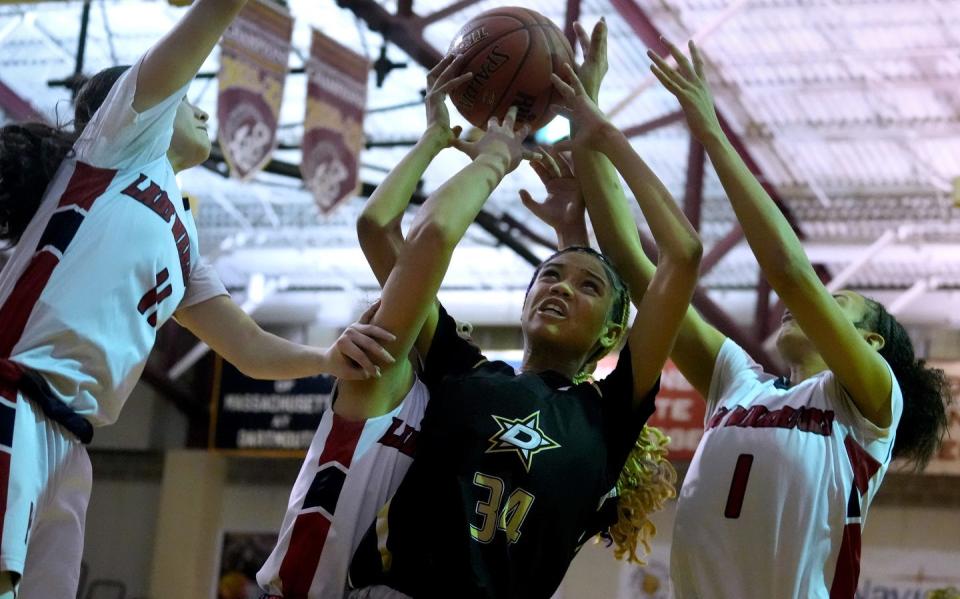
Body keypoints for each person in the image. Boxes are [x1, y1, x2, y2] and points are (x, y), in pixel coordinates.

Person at [0, 2, 394, 597]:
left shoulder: (181, 239)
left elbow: (250, 349)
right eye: (187, 100)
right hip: (13, 400)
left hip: (71, 442)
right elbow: (206, 24)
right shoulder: (115, 148)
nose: (203, 108)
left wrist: (324, 359)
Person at [567, 26, 951, 598]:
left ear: (870, 345)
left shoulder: (871, 410)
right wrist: (583, 113)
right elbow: (633, 263)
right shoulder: (737, 383)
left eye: (835, 301)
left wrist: (710, 133)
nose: (807, 304)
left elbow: (791, 273)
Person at [342, 41, 702, 594]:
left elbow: (682, 254)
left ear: (612, 332)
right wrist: (434, 139)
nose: (559, 287)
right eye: (549, 276)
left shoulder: (605, 417)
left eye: (587, 286)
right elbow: (381, 234)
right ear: (525, 301)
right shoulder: (464, 371)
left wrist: (599, 132)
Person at [255, 53, 473, 599]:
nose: (382, 306)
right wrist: (436, 142)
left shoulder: (456, 410)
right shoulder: (382, 373)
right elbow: (380, 226)